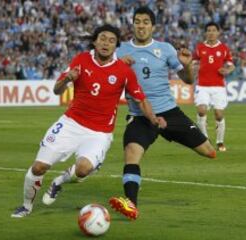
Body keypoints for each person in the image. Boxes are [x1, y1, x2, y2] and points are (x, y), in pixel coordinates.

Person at [11, 24, 166, 218]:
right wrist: (67, 79)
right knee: (38, 167)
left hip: (99, 133)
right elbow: (56, 90)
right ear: (94, 41)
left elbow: (140, 99)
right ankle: (26, 206)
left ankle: (58, 182)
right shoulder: (81, 60)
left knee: (83, 170)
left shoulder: (123, 71)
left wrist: (153, 118)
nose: (106, 43)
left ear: (116, 46)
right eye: (102, 38)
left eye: (111, 41)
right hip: (70, 124)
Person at [108, 7, 217, 220]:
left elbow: (188, 80)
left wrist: (187, 66)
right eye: (137, 21)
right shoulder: (119, 51)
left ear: (153, 26)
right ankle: (131, 205)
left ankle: (170, 133)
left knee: (209, 152)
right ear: (133, 24)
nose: (141, 25)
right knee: (132, 153)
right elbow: (107, 78)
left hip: (169, 112)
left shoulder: (165, 48)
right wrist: (118, 66)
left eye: (145, 22)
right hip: (139, 114)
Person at [193, 22, 235, 152]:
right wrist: (194, 69)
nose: (211, 33)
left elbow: (231, 65)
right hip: (202, 85)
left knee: (219, 114)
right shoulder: (200, 47)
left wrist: (227, 71)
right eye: (209, 30)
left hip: (218, 87)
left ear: (218, 32)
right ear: (206, 33)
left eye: (213, 30)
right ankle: (204, 139)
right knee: (201, 110)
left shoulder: (223, 48)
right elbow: (194, 62)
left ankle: (220, 141)